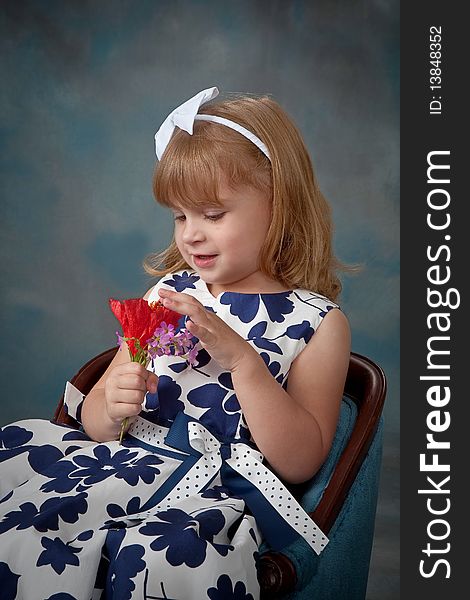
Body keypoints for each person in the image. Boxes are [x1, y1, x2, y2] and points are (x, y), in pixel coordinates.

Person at [0, 86, 350, 599]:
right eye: (180, 217)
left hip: (205, 495)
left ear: (279, 205)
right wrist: (112, 401)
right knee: (30, 518)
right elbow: (98, 421)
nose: (191, 235)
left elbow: (301, 460)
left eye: (212, 214)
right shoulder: (170, 293)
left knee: (157, 559)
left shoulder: (317, 322)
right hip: (121, 467)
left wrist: (244, 364)